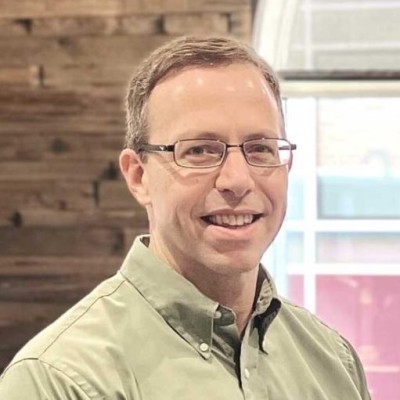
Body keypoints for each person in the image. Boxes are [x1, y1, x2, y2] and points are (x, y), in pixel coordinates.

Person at [0, 36, 370, 399]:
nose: (237, 180)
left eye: (260, 148)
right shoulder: (57, 381)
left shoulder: (333, 361)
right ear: (138, 176)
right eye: (200, 150)